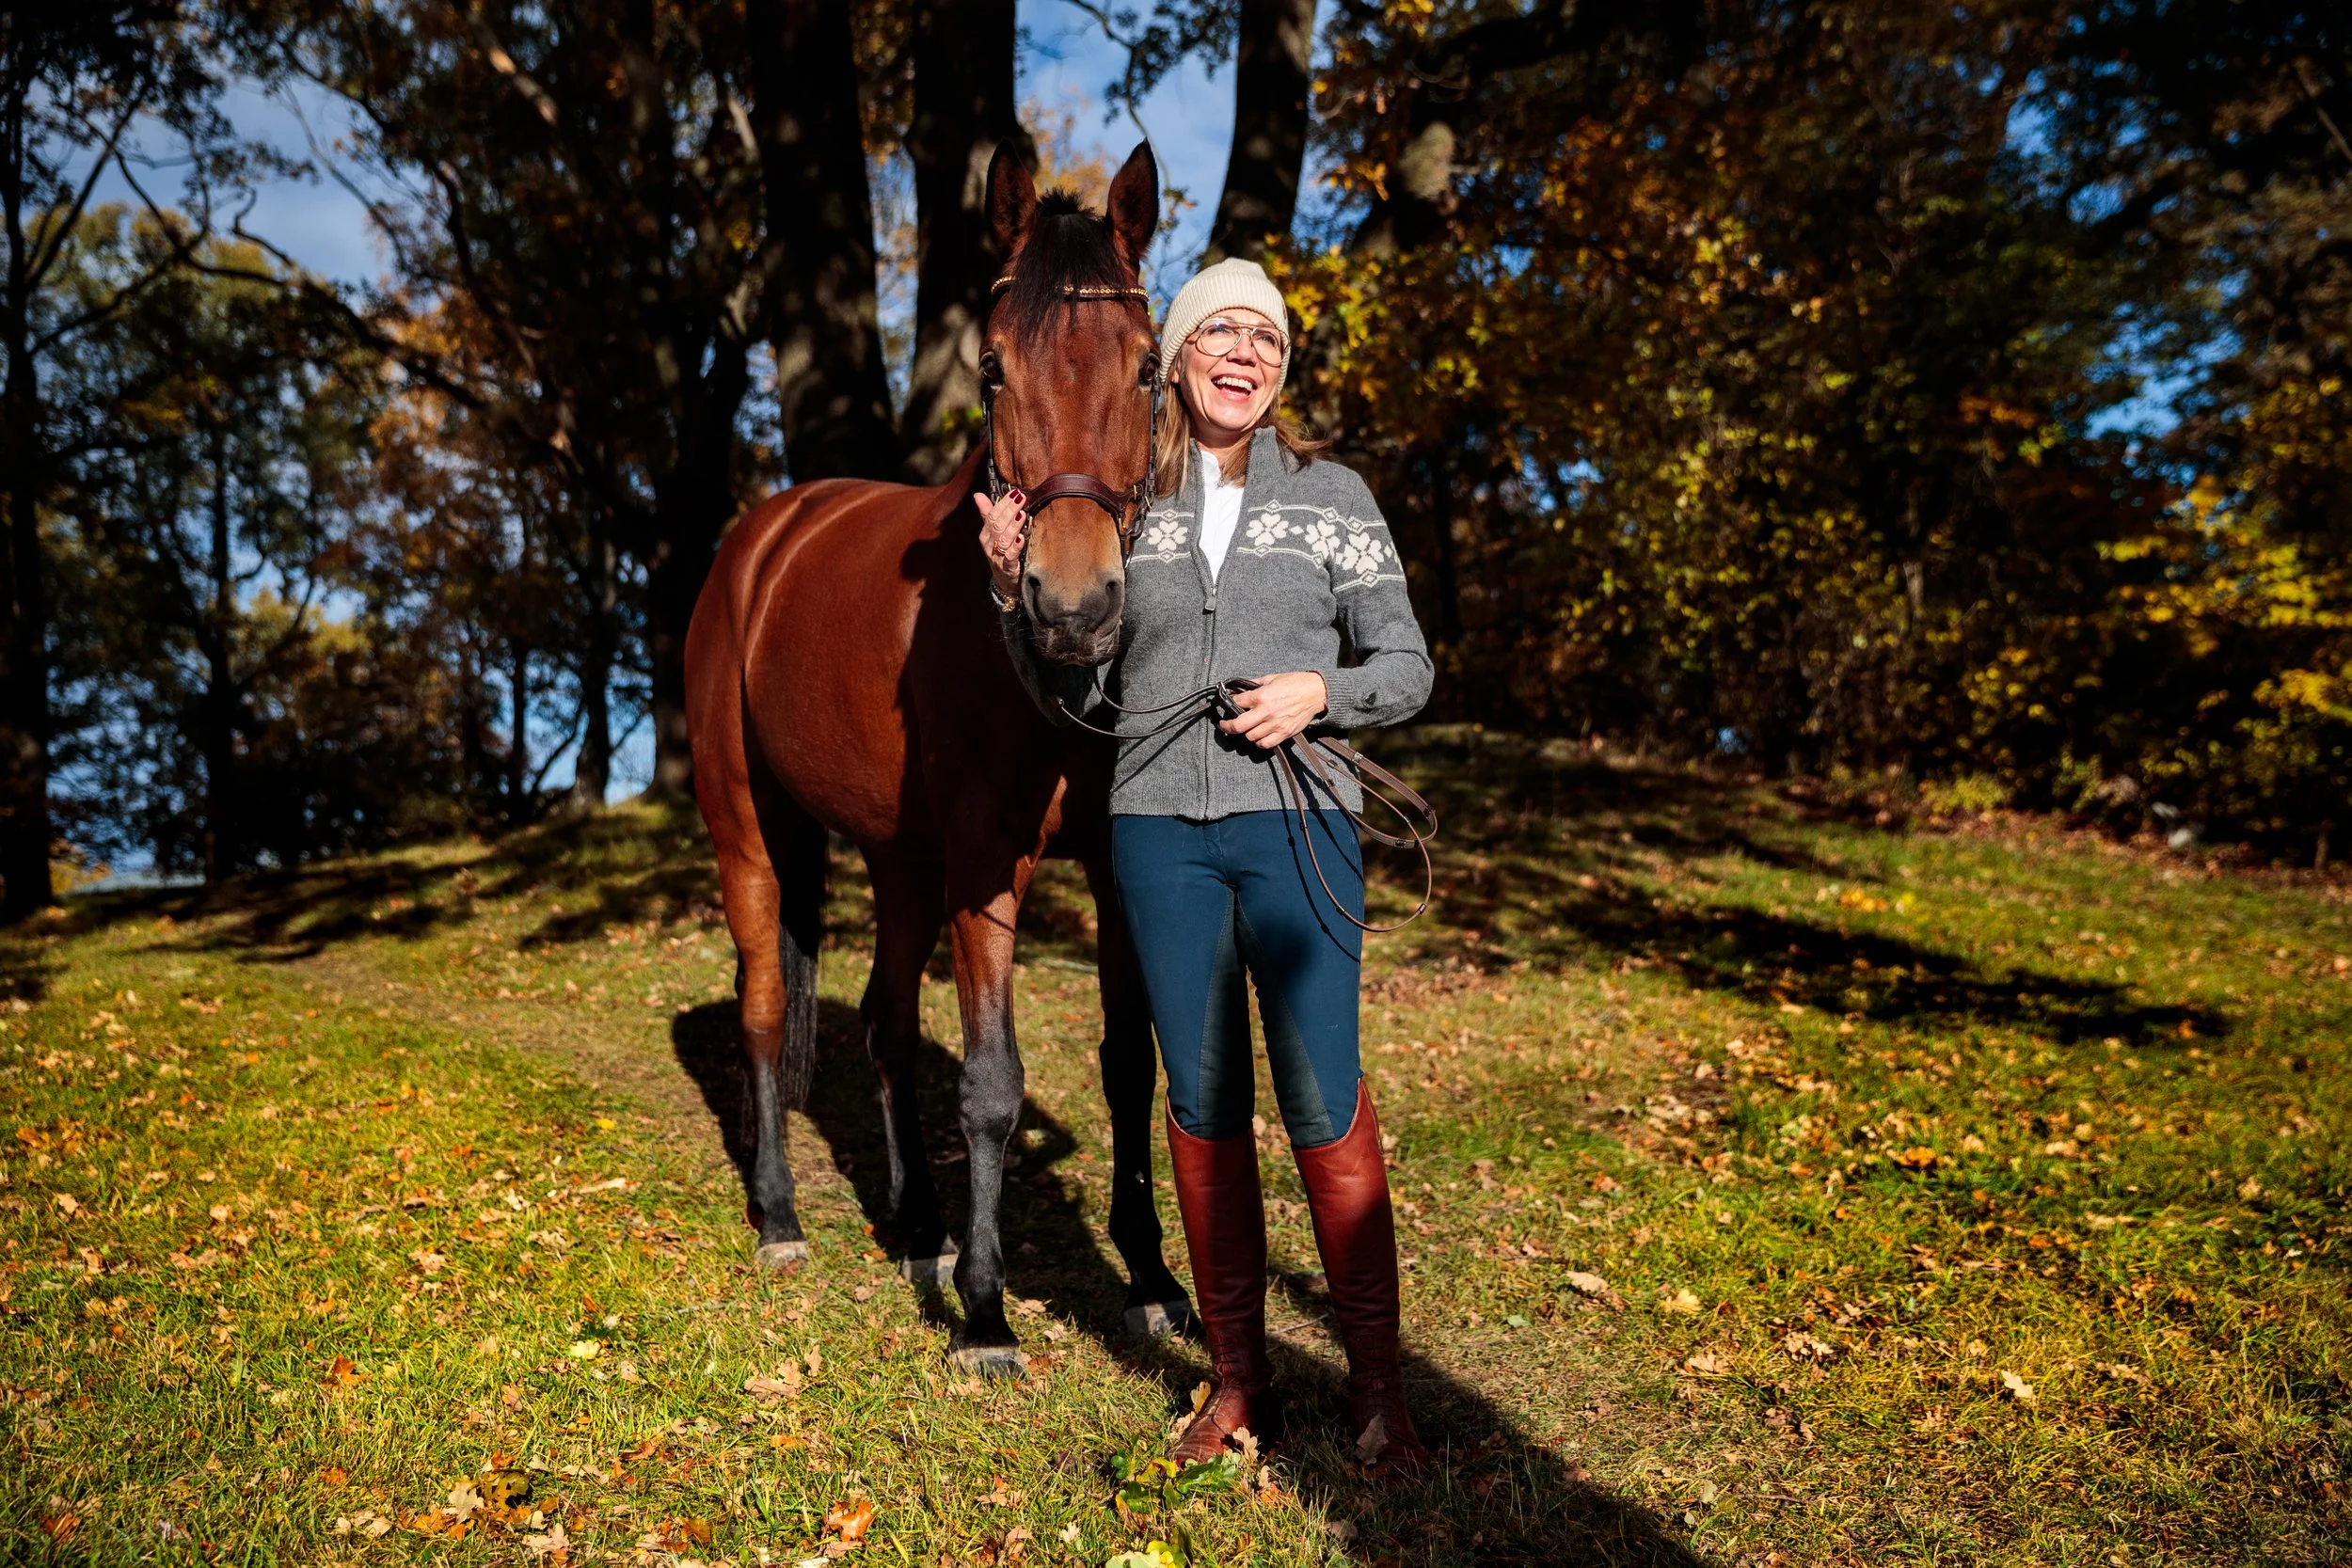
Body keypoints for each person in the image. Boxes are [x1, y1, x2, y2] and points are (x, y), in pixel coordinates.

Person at [977, 257, 1435, 1480]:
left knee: (1322, 1097)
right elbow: (1071, 693)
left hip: (1299, 829)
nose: (1244, 352)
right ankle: (1239, 1383)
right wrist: (1007, 583)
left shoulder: (1333, 496)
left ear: (1280, 368)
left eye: (1266, 339)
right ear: (1174, 356)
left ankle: (1380, 1391)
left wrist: (1319, 689)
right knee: (1201, 1104)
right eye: (1218, 331)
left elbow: (1409, 665)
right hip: (1159, 841)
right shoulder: (1132, 500)